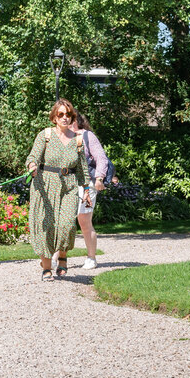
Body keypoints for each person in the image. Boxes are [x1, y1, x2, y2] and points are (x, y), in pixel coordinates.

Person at [25, 98, 91, 280]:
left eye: (68, 115)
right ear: (54, 117)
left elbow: (82, 168)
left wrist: (86, 189)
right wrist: (32, 165)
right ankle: (46, 268)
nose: (64, 118)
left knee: (67, 225)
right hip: (44, 185)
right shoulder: (45, 135)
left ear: (72, 117)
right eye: (60, 114)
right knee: (46, 227)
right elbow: (33, 156)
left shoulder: (78, 140)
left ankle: (62, 255)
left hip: (69, 186)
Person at [70, 110, 108, 270]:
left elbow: (101, 157)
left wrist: (99, 178)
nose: (65, 120)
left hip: (87, 183)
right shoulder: (61, 137)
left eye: (70, 118)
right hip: (68, 183)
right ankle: (55, 257)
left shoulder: (87, 136)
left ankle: (91, 257)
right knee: (62, 220)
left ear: (77, 120)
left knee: (84, 221)